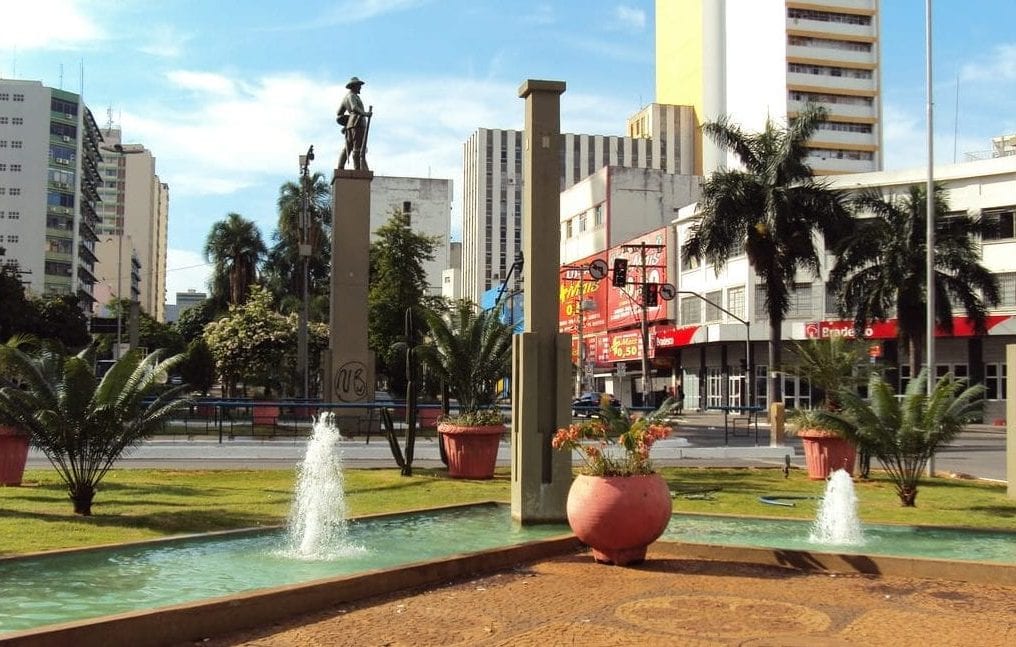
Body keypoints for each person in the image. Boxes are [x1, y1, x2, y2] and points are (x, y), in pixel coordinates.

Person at [337, 76, 372, 171]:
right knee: (357, 148)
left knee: (348, 147)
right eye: (359, 85)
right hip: (357, 123)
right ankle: (358, 169)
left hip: (351, 124)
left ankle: (340, 166)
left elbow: (339, 113)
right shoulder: (351, 96)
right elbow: (354, 108)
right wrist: (365, 114)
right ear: (354, 86)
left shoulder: (346, 98)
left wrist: (347, 123)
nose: (360, 87)